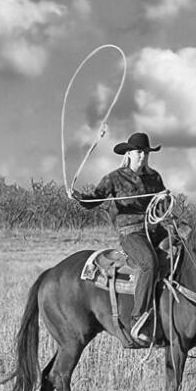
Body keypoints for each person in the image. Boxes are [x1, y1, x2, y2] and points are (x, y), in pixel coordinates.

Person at [72, 131, 167, 344]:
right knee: (149, 264)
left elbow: (162, 206)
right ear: (129, 154)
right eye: (138, 152)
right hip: (131, 232)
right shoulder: (114, 178)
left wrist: (165, 201)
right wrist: (80, 198)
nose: (142, 156)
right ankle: (139, 318)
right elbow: (95, 199)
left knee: (182, 250)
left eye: (145, 152)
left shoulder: (154, 178)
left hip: (155, 228)